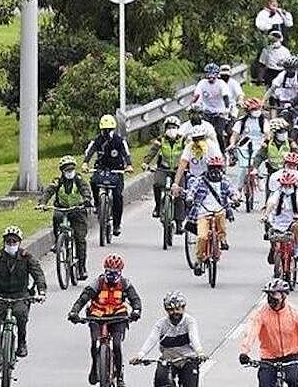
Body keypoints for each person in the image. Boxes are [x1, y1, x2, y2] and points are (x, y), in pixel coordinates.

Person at [0, 226, 47, 383]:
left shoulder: (27, 257)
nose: (11, 243)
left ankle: (21, 342)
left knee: (21, 316)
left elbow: (38, 273)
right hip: (0, 296)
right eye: (8, 241)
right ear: (4, 242)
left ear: (20, 242)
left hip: (20, 296)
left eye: (14, 241)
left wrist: (41, 292)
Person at [68, 253, 141, 387]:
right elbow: (83, 298)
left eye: (115, 273)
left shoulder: (125, 283)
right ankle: (95, 367)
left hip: (118, 316)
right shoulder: (98, 283)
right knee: (95, 342)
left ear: (120, 272)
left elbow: (135, 299)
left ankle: (119, 375)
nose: (111, 276)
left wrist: (136, 310)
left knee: (117, 345)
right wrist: (74, 312)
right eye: (109, 272)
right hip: (97, 315)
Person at [239, 279, 298, 387]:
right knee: (264, 383)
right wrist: (244, 352)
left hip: (291, 356)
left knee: (293, 380)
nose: (271, 299)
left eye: (274, 295)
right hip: (269, 357)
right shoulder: (260, 313)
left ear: (283, 296)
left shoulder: (296, 313)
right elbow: (250, 332)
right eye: (269, 295)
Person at [130, 292, 206, 387]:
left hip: (187, 359)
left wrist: (200, 352)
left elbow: (194, 338)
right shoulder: (161, 324)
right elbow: (152, 339)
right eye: (171, 310)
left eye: (178, 309)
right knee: (160, 380)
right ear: (166, 310)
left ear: (183, 308)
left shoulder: (189, 321)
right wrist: (140, 355)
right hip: (168, 359)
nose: (175, 313)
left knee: (190, 383)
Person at [41, 156, 92, 277]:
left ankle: (81, 267)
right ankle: (58, 240)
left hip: (77, 210)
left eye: (71, 169)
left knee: (80, 239)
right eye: (67, 170)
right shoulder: (57, 181)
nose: (70, 172)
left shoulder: (78, 179)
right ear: (62, 171)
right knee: (56, 217)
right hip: (62, 209)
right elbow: (49, 191)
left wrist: (87, 199)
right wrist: (43, 203)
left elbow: (85, 189)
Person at [83, 114, 133, 237]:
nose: (106, 132)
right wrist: (85, 163)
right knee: (93, 182)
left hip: (116, 171)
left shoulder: (119, 141)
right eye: (104, 130)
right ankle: (97, 204)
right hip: (101, 169)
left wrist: (129, 165)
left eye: (109, 130)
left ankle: (116, 225)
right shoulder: (97, 140)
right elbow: (90, 151)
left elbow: (126, 154)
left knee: (117, 197)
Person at [185, 156, 238, 266]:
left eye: (218, 168)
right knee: (202, 237)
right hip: (203, 212)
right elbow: (192, 191)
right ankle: (199, 259)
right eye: (213, 168)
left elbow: (232, 191)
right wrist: (190, 198)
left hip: (219, 210)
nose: (215, 171)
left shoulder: (224, 180)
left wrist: (235, 198)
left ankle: (223, 240)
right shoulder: (200, 180)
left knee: (221, 220)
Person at [143, 116, 186, 227]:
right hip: (164, 168)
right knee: (157, 185)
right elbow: (153, 151)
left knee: (180, 195)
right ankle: (158, 207)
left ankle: (179, 222)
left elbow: (189, 153)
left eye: (173, 127)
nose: (171, 129)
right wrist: (146, 162)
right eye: (169, 127)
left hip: (178, 170)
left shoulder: (183, 140)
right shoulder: (161, 139)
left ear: (178, 128)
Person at [263, 172, 298, 263]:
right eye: (284, 185)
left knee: (296, 228)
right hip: (278, 220)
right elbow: (271, 203)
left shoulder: (297, 193)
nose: (286, 188)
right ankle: (273, 249)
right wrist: (266, 215)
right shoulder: (278, 192)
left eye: (289, 185)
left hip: (292, 220)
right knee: (271, 233)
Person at [173, 124, 221, 197]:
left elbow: (219, 163)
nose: (198, 141)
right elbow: (183, 164)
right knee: (189, 197)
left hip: (209, 178)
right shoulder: (189, 146)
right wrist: (176, 183)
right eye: (195, 139)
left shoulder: (212, 146)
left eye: (200, 138)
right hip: (193, 177)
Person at [254, 119, 294, 199]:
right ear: (275, 133)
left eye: (285, 131)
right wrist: (255, 168)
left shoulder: (290, 143)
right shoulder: (268, 143)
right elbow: (259, 156)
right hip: (272, 171)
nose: (283, 134)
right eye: (280, 132)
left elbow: (297, 154)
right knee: (270, 191)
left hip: (287, 173)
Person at [192, 63, 231, 147]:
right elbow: (197, 95)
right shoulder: (202, 83)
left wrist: (227, 108)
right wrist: (193, 104)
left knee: (218, 133)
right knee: (203, 131)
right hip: (207, 111)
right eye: (208, 76)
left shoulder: (221, 84)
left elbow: (225, 96)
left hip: (220, 112)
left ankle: (222, 152)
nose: (211, 78)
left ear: (217, 75)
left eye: (213, 76)